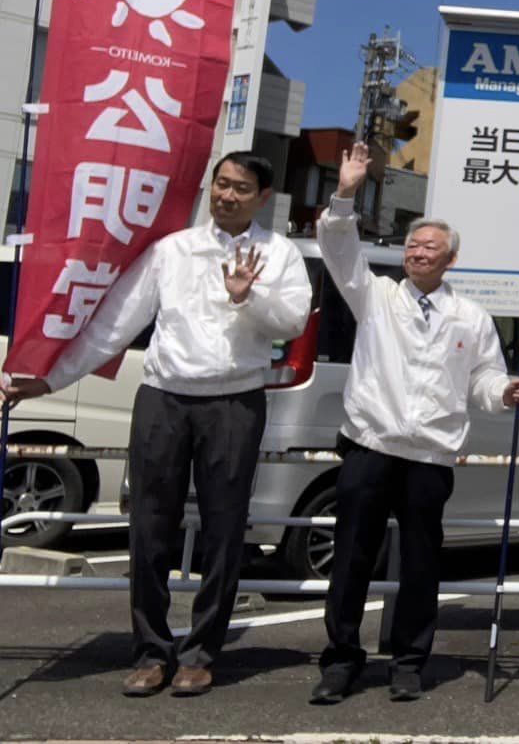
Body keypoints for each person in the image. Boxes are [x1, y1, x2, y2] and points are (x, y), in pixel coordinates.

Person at [4, 152, 310, 697]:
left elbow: (290, 320)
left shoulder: (278, 252)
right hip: (163, 399)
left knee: (224, 531)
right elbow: (116, 323)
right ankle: (150, 651)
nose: (227, 195)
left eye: (241, 188)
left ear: (263, 197)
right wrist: (49, 379)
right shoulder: (173, 249)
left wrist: (249, 296)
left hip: (235, 402)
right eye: (221, 184)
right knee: (148, 527)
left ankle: (200, 652)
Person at [308, 142, 519, 705]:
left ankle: (409, 662)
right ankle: (340, 661)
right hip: (371, 445)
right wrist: (346, 193)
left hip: (431, 455)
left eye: (430, 246)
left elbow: (482, 382)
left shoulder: (472, 317)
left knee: (421, 563)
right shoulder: (376, 296)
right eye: (412, 243)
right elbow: (337, 249)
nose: (417, 251)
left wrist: (504, 391)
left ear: (450, 258)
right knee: (351, 558)